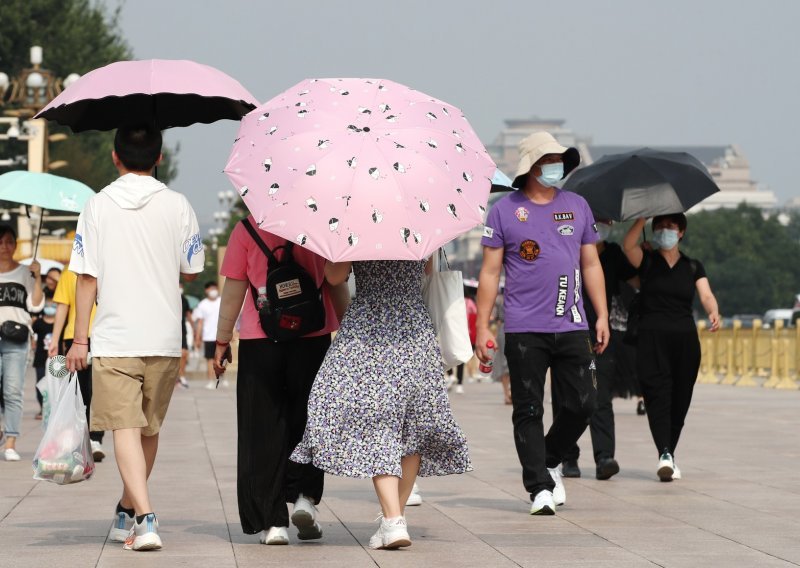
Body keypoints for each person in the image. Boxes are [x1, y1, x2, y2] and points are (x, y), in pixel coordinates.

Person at [66, 124, 204, 551]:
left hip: (115, 335)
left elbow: (86, 278)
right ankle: (137, 514)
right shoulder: (179, 204)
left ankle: (137, 513)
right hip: (163, 335)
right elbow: (193, 267)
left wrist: (80, 340)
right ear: (160, 158)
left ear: (114, 156)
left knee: (125, 427)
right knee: (147, 429)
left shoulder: (97, 205)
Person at [291, 259, 472, 550]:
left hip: (369, 326)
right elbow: (427, 270)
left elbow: (334, 277)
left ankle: (393, 519)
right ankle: (394, 518)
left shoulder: (357, 222)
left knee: (375, 421)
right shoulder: (419, 220)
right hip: (414, 326)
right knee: (414, 422)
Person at [475, 131, 607, 515]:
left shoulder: (577, 206)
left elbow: (592, 263)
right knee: (529, 408)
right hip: (523, 328)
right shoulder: (503, 211)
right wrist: (483, 327)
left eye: (561, 159)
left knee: (585, 403)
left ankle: (548, 458)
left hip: (572, 324)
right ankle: (538, 488)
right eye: (551, 160)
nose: (558, 166)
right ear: (532, 167)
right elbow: (489, 272)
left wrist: (601, 314)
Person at [212, 215, 342, 545]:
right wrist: (346, 331)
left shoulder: (246, 228)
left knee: (262, 426)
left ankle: (272, 522)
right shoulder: (320, 223)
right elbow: (335, 281)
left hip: (261, 338)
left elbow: (234, 289)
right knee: (310, 419)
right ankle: (304, 498)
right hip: (313, 335)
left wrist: (223, 340)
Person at [622, 214, 720, 481]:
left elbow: (706, 294)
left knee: (680, 398)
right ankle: (664, 452)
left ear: (681, 232)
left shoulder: (692, 266)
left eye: (671, 226)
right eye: (660, 226)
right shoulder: (647, 261)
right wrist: (642, 218)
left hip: (685, 340)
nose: (665, 230)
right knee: (657, 395)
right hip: (651, 339)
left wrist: (713, 311)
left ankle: (669, 453)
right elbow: (627, 246)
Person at [556, 219, 637, 481]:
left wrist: (643, 253)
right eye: (596, 220)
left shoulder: (612, 253)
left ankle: (604, 457)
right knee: (567, 395)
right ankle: (568, 457)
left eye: (605, 220)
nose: (602, 225)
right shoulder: (567, 247)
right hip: (566, 329)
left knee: (600, 396)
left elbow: (637, 278)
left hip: (602, 331)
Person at [49, 266, 105, 461]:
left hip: (103, 335)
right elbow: (63, 306)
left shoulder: (107, 264)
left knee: (99, 390)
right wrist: (54, 340)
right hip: (74, 337)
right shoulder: (68, 272)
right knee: (78, 392)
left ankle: (96, 439)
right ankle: (79, 438)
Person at [0, 226, 44, 461]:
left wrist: (36, 277)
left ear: (15, 245)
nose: (4, 247)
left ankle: (10, 442)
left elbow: (36, 305)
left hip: (16, 339)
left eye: (8, 242)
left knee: (12, 391)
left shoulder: (25, 272)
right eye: (0, 242)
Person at [194, 281, 223, 390]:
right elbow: (200, 322)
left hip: (221, 335)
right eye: (211, 289)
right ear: (206, 290)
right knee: (210, 359)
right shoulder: (202, 304)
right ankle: (211, 380)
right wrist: (198, 337)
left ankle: (221, 378)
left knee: (222, 359)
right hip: (208, 336)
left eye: (215, 288)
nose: (213, 291)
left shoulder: (222, 301)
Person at [31, 300, 57, 420]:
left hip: (56, 359)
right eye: (47, 305)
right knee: (40, 384)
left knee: (55, 385)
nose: (50, 307)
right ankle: (43, 408)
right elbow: (33, 336)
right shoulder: (38, 323)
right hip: (41, 358)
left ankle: (55, 409)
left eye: (53, 305)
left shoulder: (59, 322)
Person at [176, 286, 192, 389]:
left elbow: (188, 314)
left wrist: (194, 329)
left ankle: (182, 377)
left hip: (182, 329)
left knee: (184, 354)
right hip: (169, 329)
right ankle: (176, 378)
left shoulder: (184, 299)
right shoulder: (168, 296)